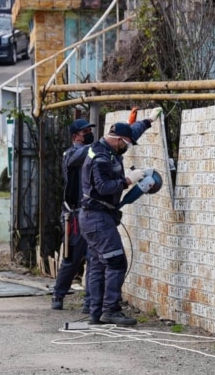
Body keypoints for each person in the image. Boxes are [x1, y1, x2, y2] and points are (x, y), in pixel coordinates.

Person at [79, 118, 153, 326]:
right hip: (97, 218)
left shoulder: (106, 149)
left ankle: (96, 313)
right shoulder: (101, 157)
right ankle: (110, 309)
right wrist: (128, 180)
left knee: (98, 264)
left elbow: (132, 132)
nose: (127, 147)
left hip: (95, 217)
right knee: (115, 261)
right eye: (127, 144)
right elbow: (103, 187)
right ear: (118, 139)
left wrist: (147, 121)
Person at [50, 118, 96, 311]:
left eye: (89, 131)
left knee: (94, 259)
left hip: (91, 213)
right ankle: (58, 295)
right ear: (75, 136)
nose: (88, 134)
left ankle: (90, 302)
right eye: (85, 132)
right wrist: (105, 142)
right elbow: (86, 153)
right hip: (74, 216)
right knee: (72, 259)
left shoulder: (93, 152)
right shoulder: (70, 155)